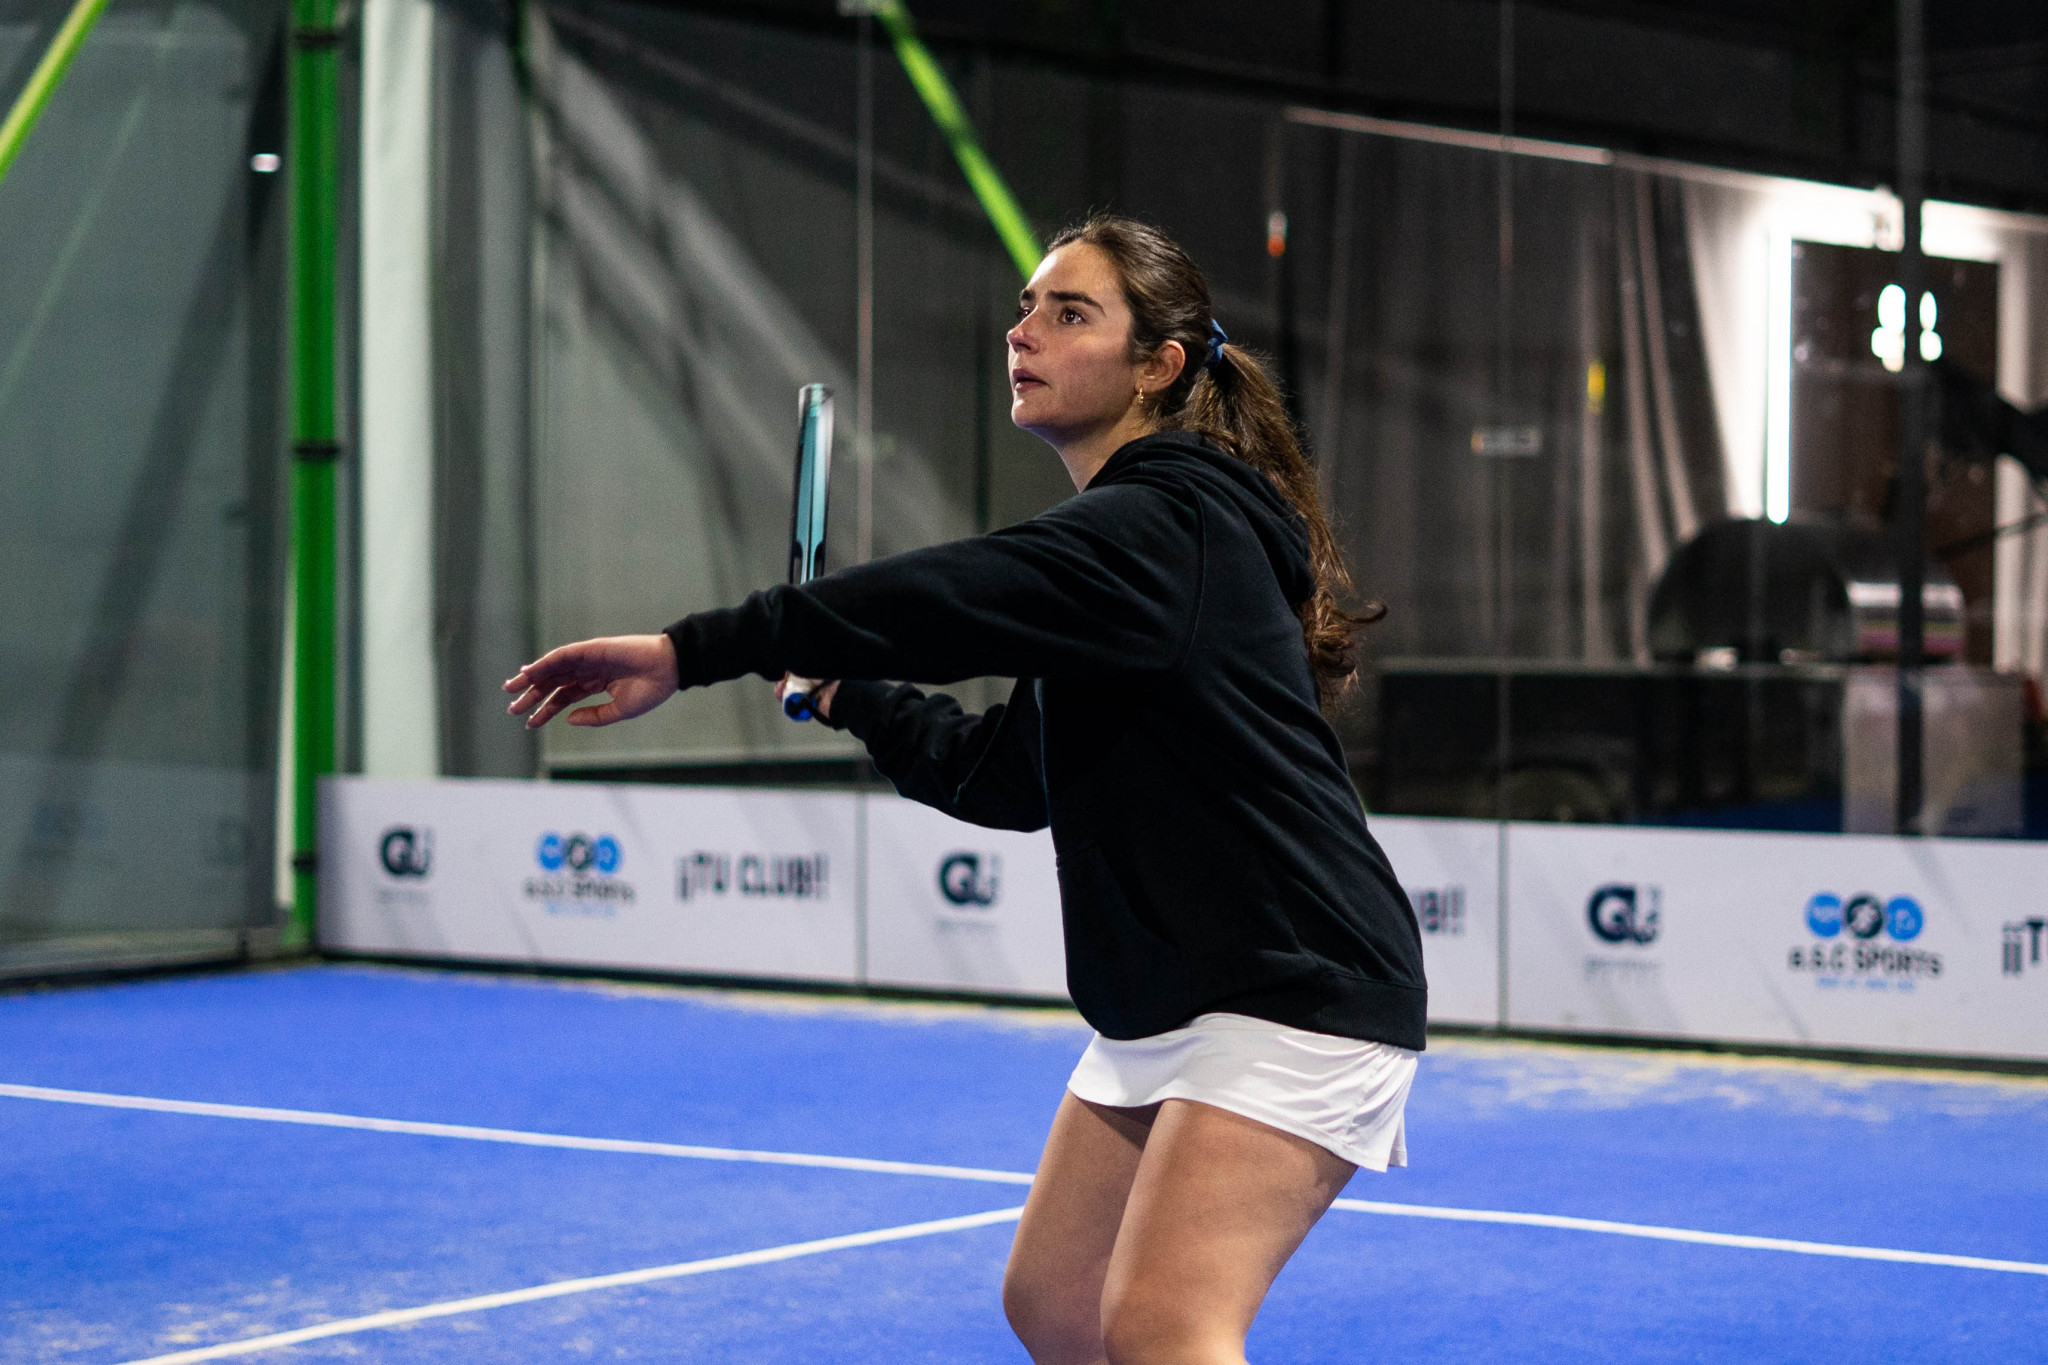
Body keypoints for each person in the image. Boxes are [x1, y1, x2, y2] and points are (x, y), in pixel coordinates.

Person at [503, 215, 1426, 1365]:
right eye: (1026, 308)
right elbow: (1001, 778)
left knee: (1163, 1326)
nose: (1021, 332)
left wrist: (697, 648)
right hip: (1175, 999)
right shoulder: (1122, 565)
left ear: (1156, 366)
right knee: (1053, 1305)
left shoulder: (1165, 522)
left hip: (1298, 986)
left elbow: (954, 594)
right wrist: (848, 694)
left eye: (1068, 313)